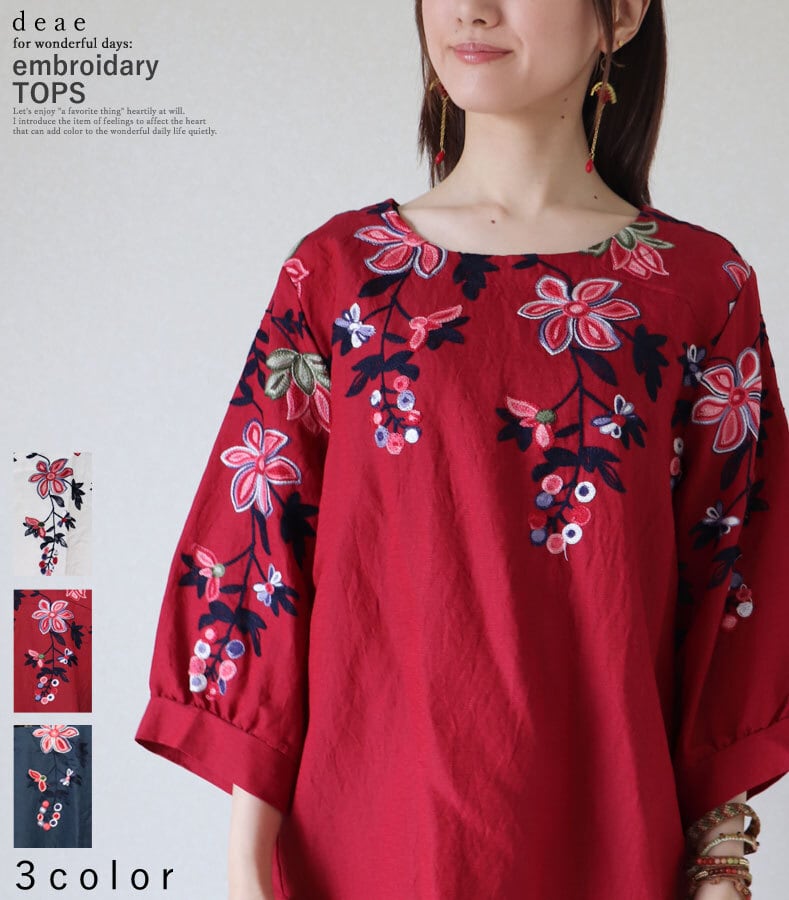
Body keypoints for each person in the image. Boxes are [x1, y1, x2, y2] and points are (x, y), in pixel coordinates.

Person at [135, 1, 789, 897]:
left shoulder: (697, 288)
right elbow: (260, 563)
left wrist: (720, 864)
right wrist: (247, 865)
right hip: (367, 845)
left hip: (609, 846)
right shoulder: (341, 275)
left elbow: (735, 586)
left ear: (622, 13)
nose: (471, 9)